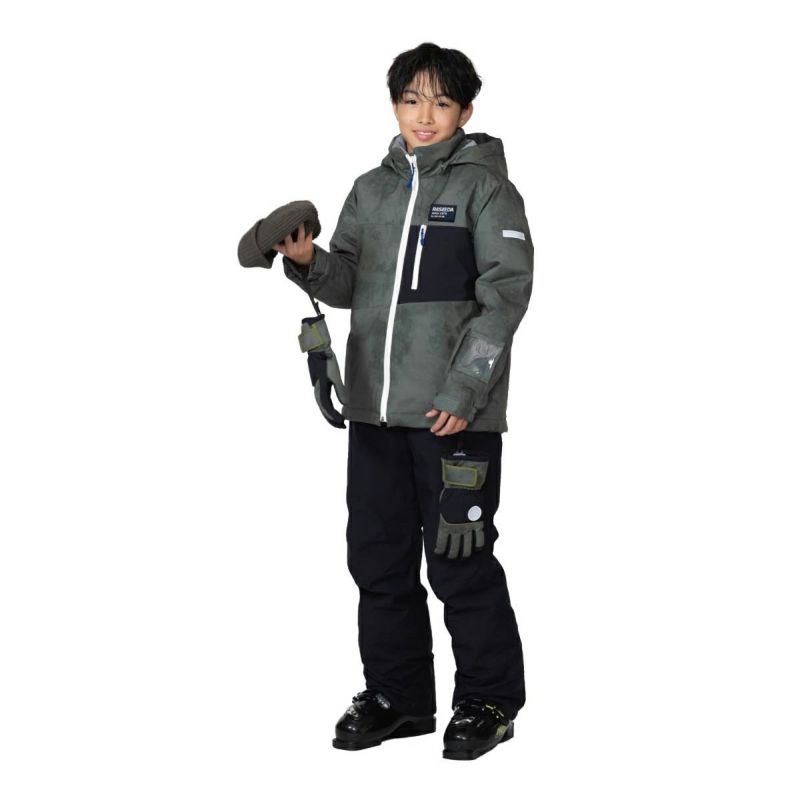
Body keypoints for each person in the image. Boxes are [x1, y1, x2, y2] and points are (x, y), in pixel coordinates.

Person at [273, 42, 534, 761]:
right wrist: (308, 261)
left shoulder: (487, 191)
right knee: (378, 561)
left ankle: (488, 701)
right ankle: (400, 698)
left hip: (454, 418)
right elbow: (348, 284)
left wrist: (465, 389)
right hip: (375, 416)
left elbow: (505, 298)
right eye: (412, 99)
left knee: (460, 562)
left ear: (465, 111)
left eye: (441, 102)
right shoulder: (371, 190)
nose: (425, 114)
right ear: (394, 104)